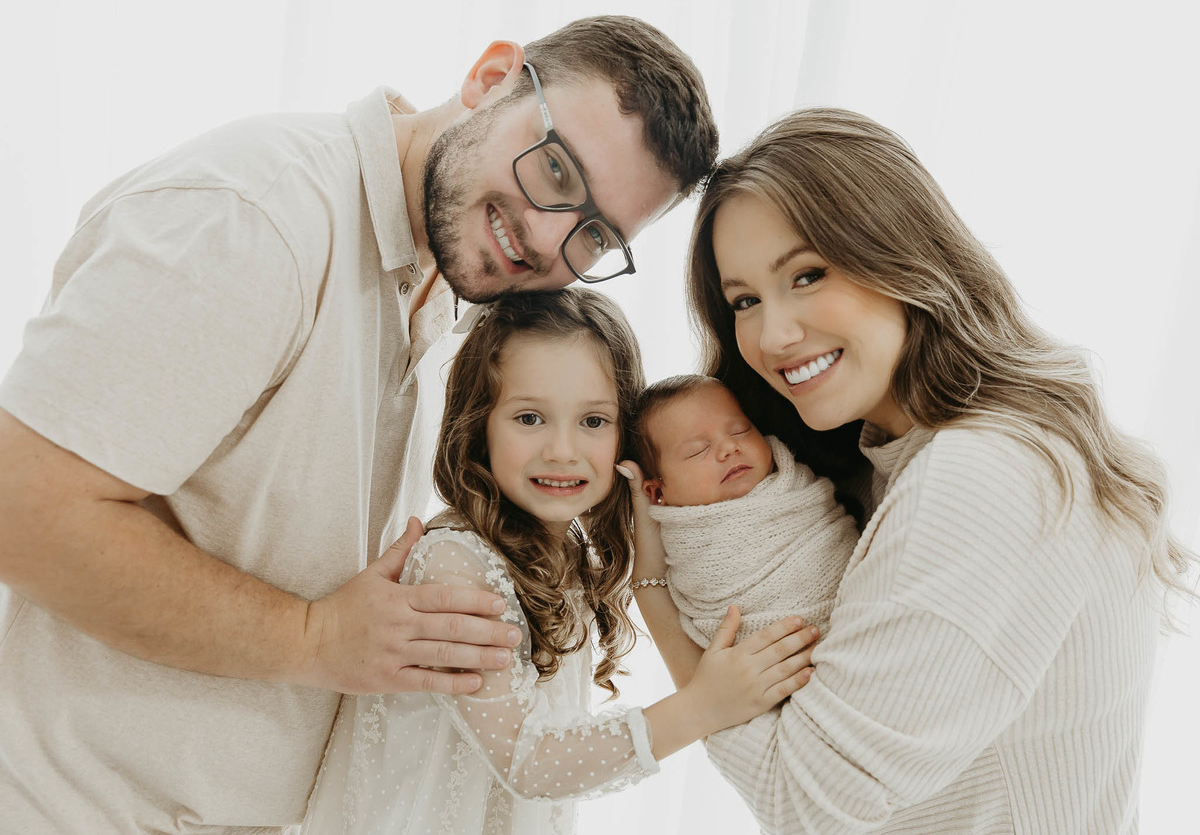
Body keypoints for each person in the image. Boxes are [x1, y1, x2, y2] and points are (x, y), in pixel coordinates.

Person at [0, 16, 719, 834]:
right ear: (490, 78)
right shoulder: (259, 216)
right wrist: (312, 637)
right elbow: (21, 510)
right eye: (555, 168)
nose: (549, 236)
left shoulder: (450, 282)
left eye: (595, 234)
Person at [624, 108, 1194, 833]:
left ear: (898, 254)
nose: (774, 335)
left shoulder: (977, 477)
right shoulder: (912, 457)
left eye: (807, 274)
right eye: (745, 301)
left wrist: (659, 608)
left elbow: (803, 804)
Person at [301, 288, 818, 834]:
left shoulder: (567, 553)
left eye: (593, 421)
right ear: (479, 425)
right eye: (530, 418)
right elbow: (529, 763)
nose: (563, 451)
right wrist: (703, 706)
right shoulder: (456, 561)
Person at [629, 373, 858, 647]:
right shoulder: (691, 551)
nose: (729, 447)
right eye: (698, 450)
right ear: (658, 492)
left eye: (740, 430)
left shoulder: (800, 491)